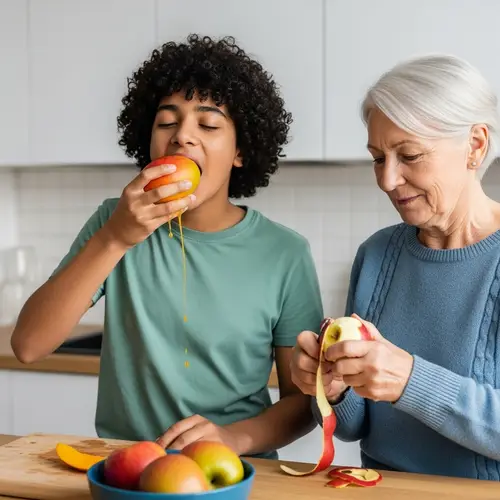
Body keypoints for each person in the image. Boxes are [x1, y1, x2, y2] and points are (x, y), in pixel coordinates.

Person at [11, 34, 323, 459]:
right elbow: (29, 345)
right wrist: (116, 237)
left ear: (241, 150)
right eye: (166, 122)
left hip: (234, 472)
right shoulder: (112, 222)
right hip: (130, 469)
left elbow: (302, 403)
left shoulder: (285, 253)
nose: (182, 137)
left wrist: (232, 439)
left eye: (208, 124)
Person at [290, 53, 500, 480]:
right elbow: (353, 427)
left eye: (409, 154)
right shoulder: (377, 255)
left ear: (475, 146)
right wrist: (331, 388)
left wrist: (411, 381)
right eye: (377, 157)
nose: (387, 180)